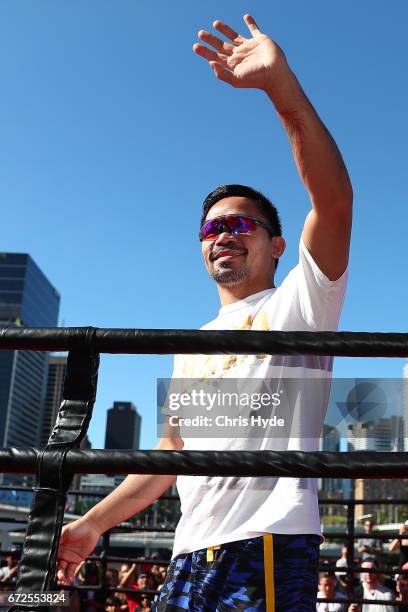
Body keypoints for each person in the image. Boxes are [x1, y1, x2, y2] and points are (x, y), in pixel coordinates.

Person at [57, 13, 353, 611]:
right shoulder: (193, 342)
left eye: (242, 224)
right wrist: (93, 523)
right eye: (212, 228)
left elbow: (335, 201)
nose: (224, 235)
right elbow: (169, 453)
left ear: (276, 243)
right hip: (191, 551)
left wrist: (281, 89)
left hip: (267, 543)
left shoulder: (300, 303)